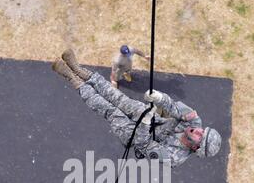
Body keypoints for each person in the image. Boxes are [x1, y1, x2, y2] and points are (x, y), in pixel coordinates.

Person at [52, 49, 222, 168]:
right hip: (150, 117)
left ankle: (71, 77)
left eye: (200, 136)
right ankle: (77, 68)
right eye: (202, 131)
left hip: (134, 135)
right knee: (115, 96)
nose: (198, 131)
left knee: (108, 109)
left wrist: (145, 125)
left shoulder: (173, 158)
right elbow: (175, 109)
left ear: (195, 148)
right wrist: (160, 98)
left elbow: (144, 144)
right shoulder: (195, 121)